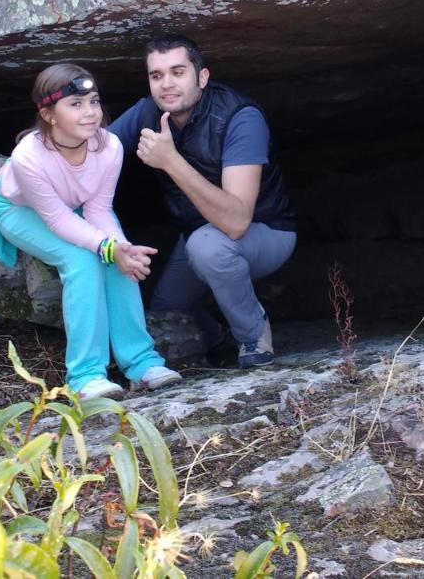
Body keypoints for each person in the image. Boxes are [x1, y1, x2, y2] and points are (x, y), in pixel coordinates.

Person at [0, 63, 181, 400]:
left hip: (74, 208)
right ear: (49, 115)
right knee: (82, 260)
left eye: (94, 102)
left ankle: (142, 364)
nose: (90, 113)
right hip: (19, 209)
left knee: (121, 255)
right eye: (76, 104)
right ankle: (85, 376)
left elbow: (98, 208)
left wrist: (119, 249)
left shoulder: (110, 146)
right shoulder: (28, 157)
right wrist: (106, 247)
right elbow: (56, 219)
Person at [107, 35, 296, 368]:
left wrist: (171, 161)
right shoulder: (148, 111)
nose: (167, 84)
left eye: (178, 72)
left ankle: (252, 334)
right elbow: (88, 148)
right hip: (199, 231)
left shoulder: (240, 117)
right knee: (168, 313)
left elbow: (237, 222)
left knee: (209, 246)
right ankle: (216, 338)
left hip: (265, 231)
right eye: (156, 75)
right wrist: (13, 171)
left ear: (202, 77)